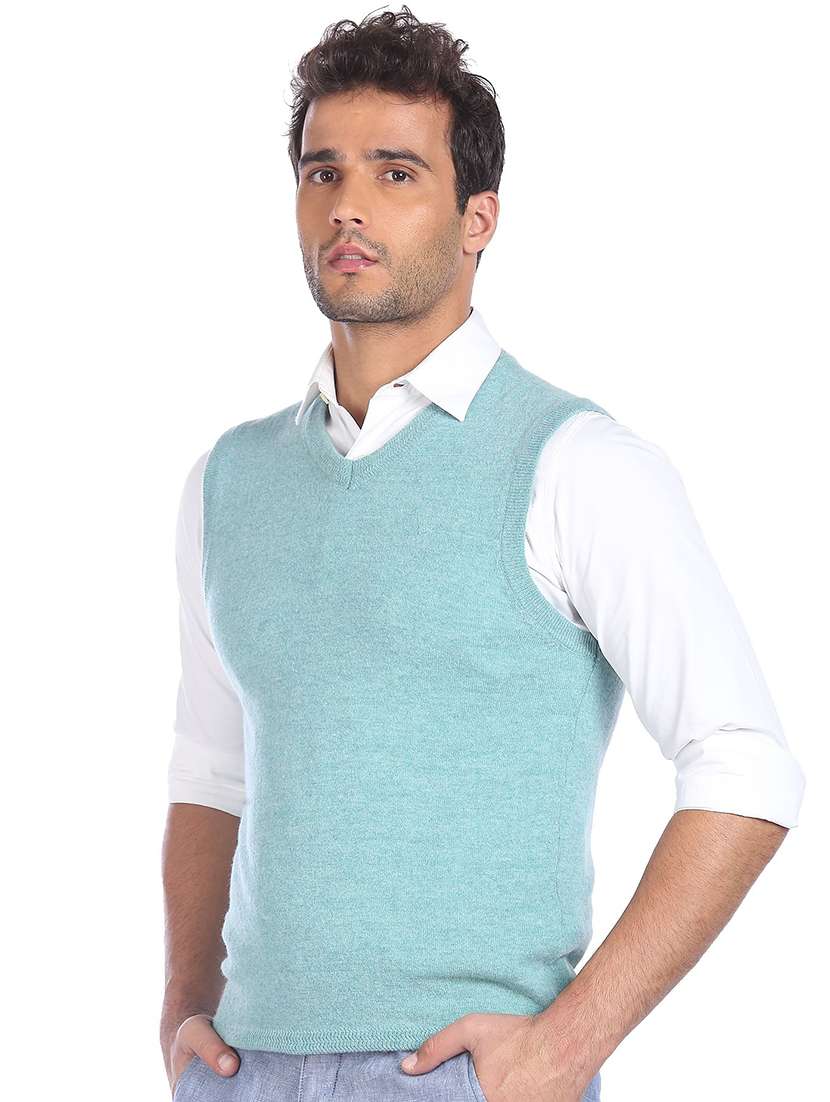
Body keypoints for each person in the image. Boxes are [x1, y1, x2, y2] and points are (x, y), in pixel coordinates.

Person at [160, 8, 806, 1101]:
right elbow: (209, 772)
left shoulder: (574, 463)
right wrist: (184, 998)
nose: (348, 204)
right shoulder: (230, 481)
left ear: (477, 219)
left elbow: (745, 765)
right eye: (323, 171)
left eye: (396, 172)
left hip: (460, 1074)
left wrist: (567, 1045)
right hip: (243, 1067)